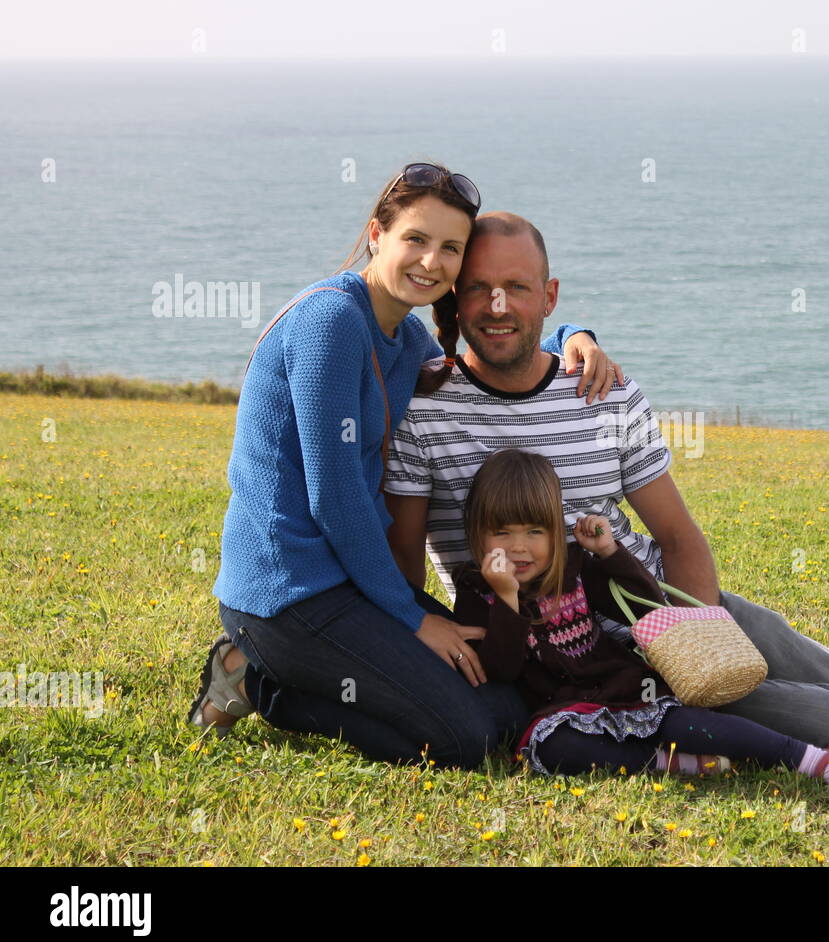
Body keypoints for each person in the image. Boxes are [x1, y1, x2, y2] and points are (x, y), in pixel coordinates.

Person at [385, 210, 829, 751]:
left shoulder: (604, 392)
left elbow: (676, 537)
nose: (497, 306)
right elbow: (405, 568)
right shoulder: (425, 409)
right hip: (563, 657)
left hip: (664, 609)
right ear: (454, 296)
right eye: (478, 288)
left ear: (550, 298)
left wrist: (697, 641)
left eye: (517, 287)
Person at [187, 163, 623, 767]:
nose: (431, 262)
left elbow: (495, 350)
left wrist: (576, 334)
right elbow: (335, 501)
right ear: (376, 235)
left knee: (508, 704)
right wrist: (412, 619)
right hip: (288, 596)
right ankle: (256, 683)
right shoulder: (330, 324)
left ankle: (308, 675)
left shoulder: (406, 338)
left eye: (450, 248)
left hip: (355, 582)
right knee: (461, 740)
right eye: (415, 239)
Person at [451, 448, 829, 790]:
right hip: (565, 714)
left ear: (554, 531)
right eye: (502, 532)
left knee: (701, 725)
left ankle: (816, 760)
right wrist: (506, 600)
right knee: (554, 749)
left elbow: (646, 603)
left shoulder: (575, 570)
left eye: (534, 532)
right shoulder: (476, 592)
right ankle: (669, 763)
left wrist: (610, 553)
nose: (519, 548)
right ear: (479, 533)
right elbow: (501, 670)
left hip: (633, 692)